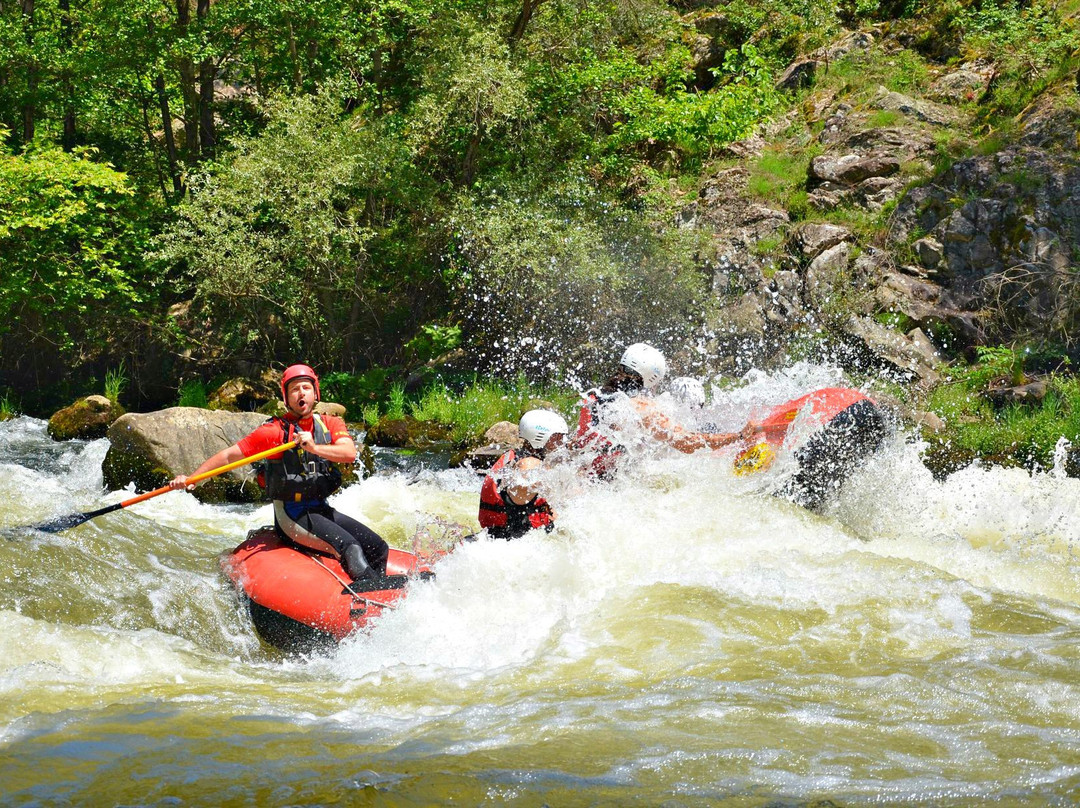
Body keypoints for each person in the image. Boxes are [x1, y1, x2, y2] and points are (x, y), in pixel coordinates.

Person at [169, 364, 389, 585]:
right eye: (294, 389)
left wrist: (314, 448)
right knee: (351, 548)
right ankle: (369, 595)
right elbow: (229, 456)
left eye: (306, 388)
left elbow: (349, 453)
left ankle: (381, 591)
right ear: (286, 398)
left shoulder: (330, 423)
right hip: (292, 516)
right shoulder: (274, 432)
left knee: (378, 547)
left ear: (315, 393)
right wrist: (192, 479)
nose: (301, 393)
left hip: (322, 509)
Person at [574, 343, 761, 472]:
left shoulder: (592, 397)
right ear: (652, 378)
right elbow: (687, 443)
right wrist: (739, 436)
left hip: (584, 477)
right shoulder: (641, 407)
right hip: (613, 483)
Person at [478, 409, 569, 540]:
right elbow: (522, 488)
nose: (561, 443)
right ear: (540, 438)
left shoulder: (516, 457)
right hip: (511, 544)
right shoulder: (528, 464)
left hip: (499, 539)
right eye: (557, 437)